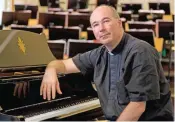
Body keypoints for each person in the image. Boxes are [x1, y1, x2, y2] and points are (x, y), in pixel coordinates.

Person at [40, 5, 174, 121]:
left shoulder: (139, 51)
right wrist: (50, 69)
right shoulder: (99, 53)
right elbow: (63, 65)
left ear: (119, 23)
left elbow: (137, 106)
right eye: (95, 25)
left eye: (106, 21)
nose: (101, 28)